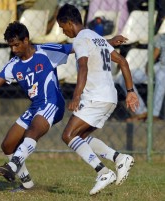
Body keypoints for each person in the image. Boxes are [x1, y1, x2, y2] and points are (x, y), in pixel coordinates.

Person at [0, 21, 125, 192]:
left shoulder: (45, 51)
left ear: (26, 40)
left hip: (53, 103)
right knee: (8, 145)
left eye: (17, 45)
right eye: (11, 46)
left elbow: (78, 46)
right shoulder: (13, 64)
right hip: (35, 107)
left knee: (33, 130)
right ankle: (27, 184)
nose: (14, 49)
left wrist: (108, 42)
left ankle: (12, 165)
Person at [56, 4, 139, 195]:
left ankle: (103, 172)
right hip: (110, 97)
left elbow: (83, 67)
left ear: (69, 22)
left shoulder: (80, 40)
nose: (63, 31)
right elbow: (123, 62)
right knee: (81, 137)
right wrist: (130, 91)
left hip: (95, 97)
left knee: (68, 135)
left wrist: (76, 96)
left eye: (63, 27)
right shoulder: (96, 37)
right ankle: (119, 158)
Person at [119, 33, 165, 121]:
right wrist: (149, 65)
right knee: (124, 77)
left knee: (161, 76)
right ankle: (141, 112)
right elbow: (155, 55)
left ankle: (153, 115)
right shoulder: (162, 37)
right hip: (160, 66)